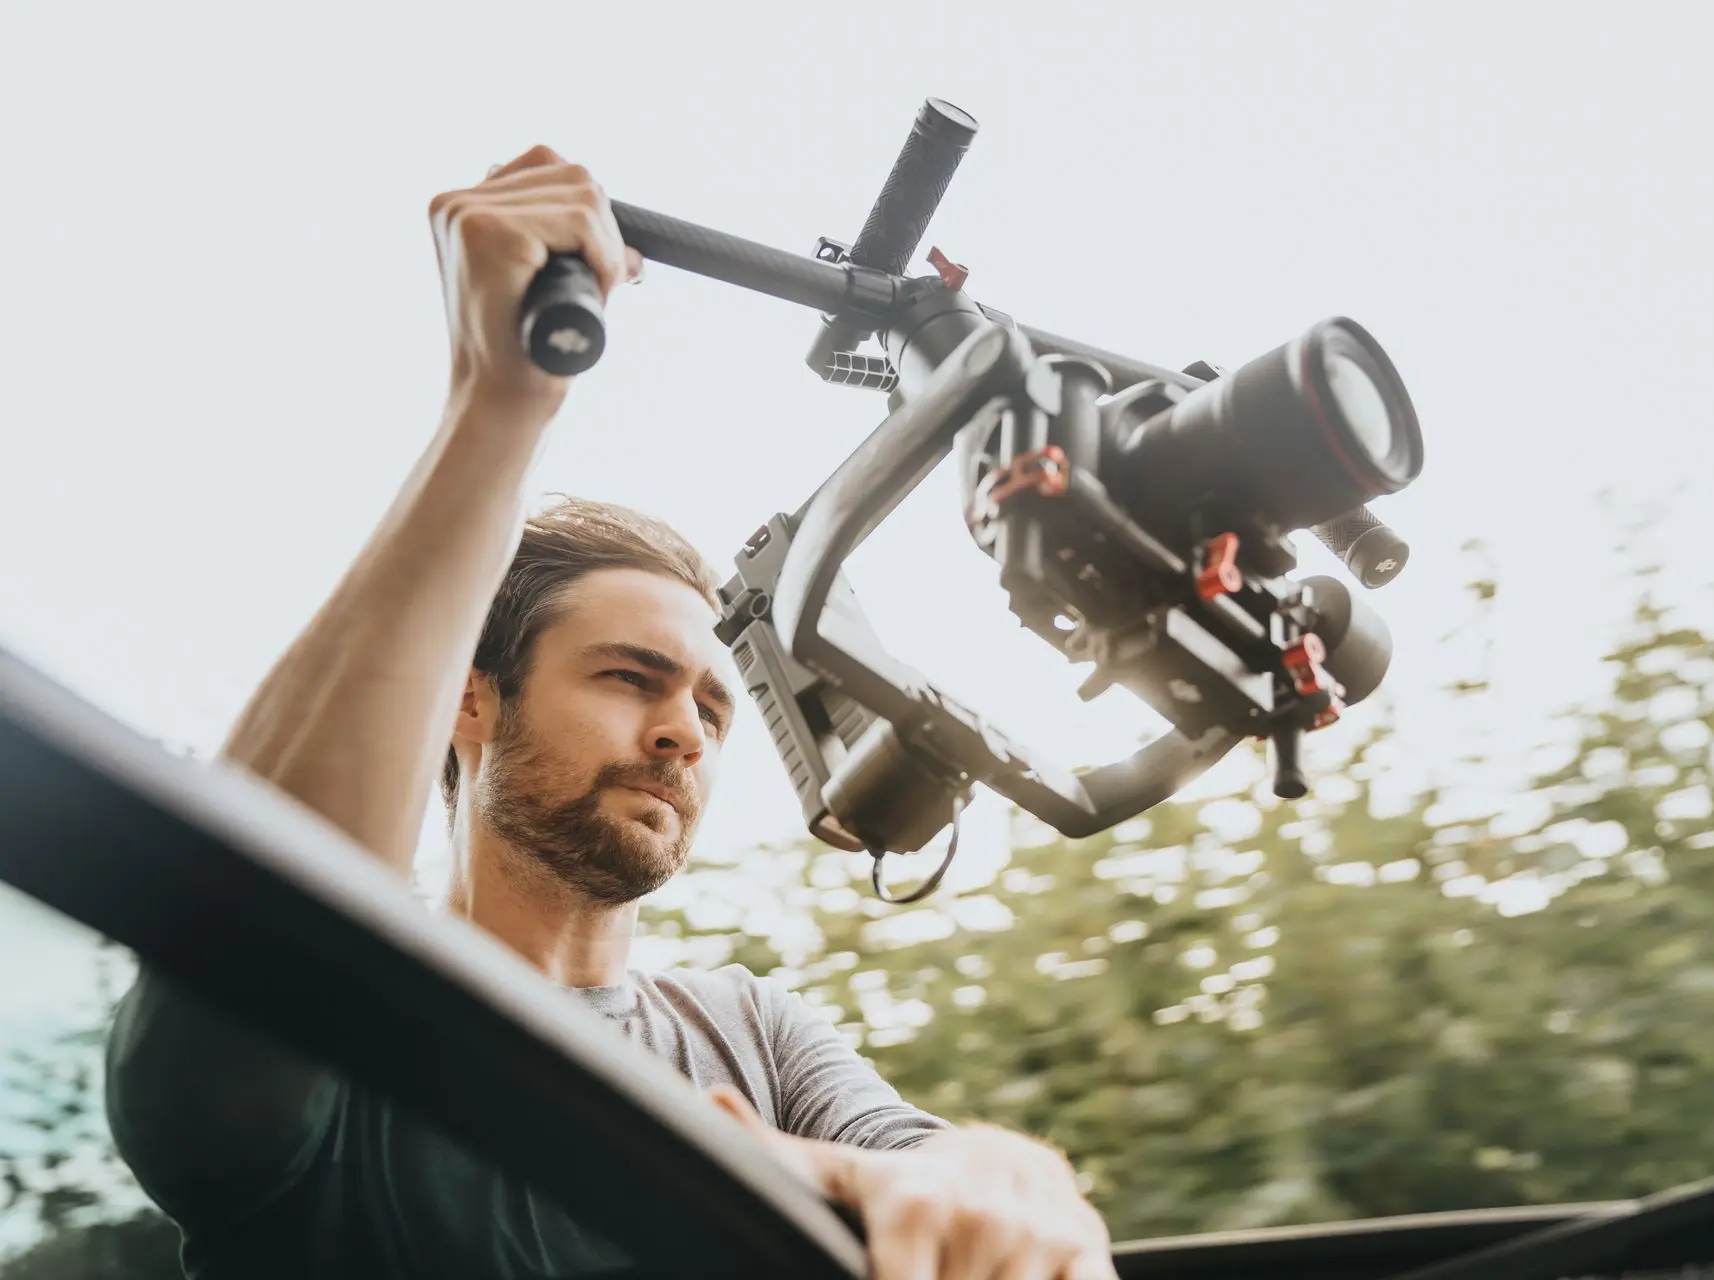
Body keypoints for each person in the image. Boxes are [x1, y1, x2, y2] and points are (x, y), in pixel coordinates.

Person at [102, 146, 1118, 1280]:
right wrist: (500, 406)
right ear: (468, 698)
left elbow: (929, 1165)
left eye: (714, 709)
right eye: (630, 676)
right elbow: (259, 904)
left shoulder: (751, 1032)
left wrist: (1002, 1178)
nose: (686, 731)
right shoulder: (351, 1025)